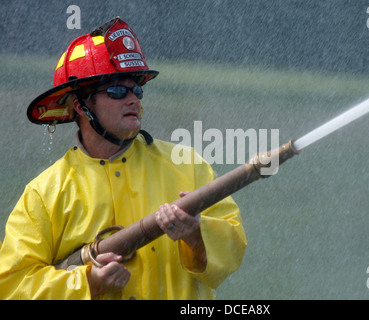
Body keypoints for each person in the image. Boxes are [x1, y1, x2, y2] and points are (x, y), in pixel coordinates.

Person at [0, 17, 246, 300]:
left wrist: (197, 235)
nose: (133, 100)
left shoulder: (187, 165)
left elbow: (233, 244)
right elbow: (12, 286)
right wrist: (88, 282)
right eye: (117, 91)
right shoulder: (44, 194)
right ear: (81, 105)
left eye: (137, 90)